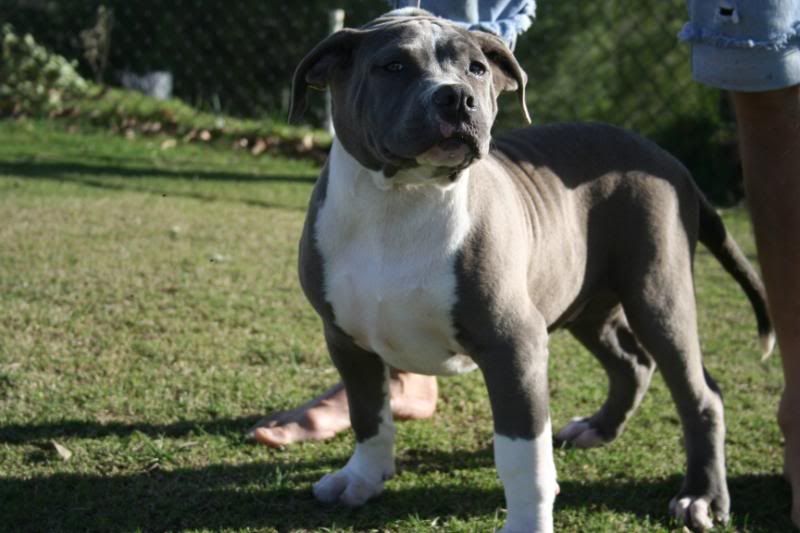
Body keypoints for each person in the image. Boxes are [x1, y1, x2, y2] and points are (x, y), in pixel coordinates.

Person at [251, 0, 800, 526]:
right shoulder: (329, 241)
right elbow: (349, 338)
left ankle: (702, 466)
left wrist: (530, 516)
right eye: (396, 68)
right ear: (326, 76)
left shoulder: (480, 235)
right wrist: (369, 460)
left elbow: (517, 343)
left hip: (627, 198)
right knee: (354, 337)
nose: (455, 93)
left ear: (499, 84)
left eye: (473, 73)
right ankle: (371, 461)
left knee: (664, 336)